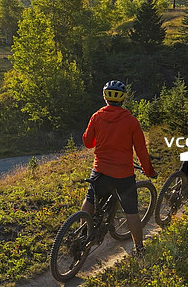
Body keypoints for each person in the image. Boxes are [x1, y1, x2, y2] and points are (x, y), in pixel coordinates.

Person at [81, 80, 156, 256]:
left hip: (100, 171)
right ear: (123, 99)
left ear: (105, 98)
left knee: (90, 199)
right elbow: (141, 151)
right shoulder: (131, 121)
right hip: (123, 175)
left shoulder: (97, 116)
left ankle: (82, 232)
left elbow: (88, 143)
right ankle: (139, 249)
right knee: (131, 212)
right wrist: (149, 171)